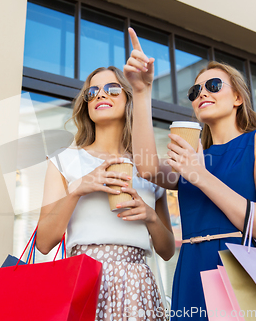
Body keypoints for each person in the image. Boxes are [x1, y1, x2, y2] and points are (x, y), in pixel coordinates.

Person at [124, 28, 256, 320]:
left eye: (213, 85)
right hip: (191, 273)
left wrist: (199, 175)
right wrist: (140, 91)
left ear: (238, 96)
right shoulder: (193, 156)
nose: (202, 94)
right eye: (195, 91)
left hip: (241, 271)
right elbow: (147, 168)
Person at [36, 66, 175, 320]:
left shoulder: (148, 167)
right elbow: (44, 242)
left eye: (112, 89)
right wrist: (79, 188)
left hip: (137, 288)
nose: (101, 95)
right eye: (93, 92)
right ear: (86, 104)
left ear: (128, 99)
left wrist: (150, 217)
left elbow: (166, 251)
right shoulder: (64, 160)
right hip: (83, 281)